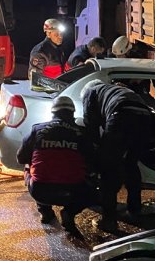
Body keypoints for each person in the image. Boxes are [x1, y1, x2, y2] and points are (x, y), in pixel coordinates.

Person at [81, 79, 155, 233]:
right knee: (131, 163)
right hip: (144, 118)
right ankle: (135, 209)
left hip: (122, 115)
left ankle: (109, 220)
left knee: (108, 170)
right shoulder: (114, 90)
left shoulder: (90, 92)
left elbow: (91, 127)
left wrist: (97, 154)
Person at [16, 96, 98, 238]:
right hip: (73, 192)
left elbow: (21, 158)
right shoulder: (82, 133)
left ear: (52, 113)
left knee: (29, 166)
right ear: (72, 113)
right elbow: (93, 162)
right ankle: (69, 212)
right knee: (93, 184)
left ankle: (45, 211)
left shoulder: (37, 129)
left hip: (40, 191)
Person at [29, 18, 67, 83]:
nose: (60, 37)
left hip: (59, 86)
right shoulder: (40, 52)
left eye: (61, 34)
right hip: (48, 90)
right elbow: (35, 78)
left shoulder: (58, 48)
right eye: (56, 34)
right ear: (48, 34)